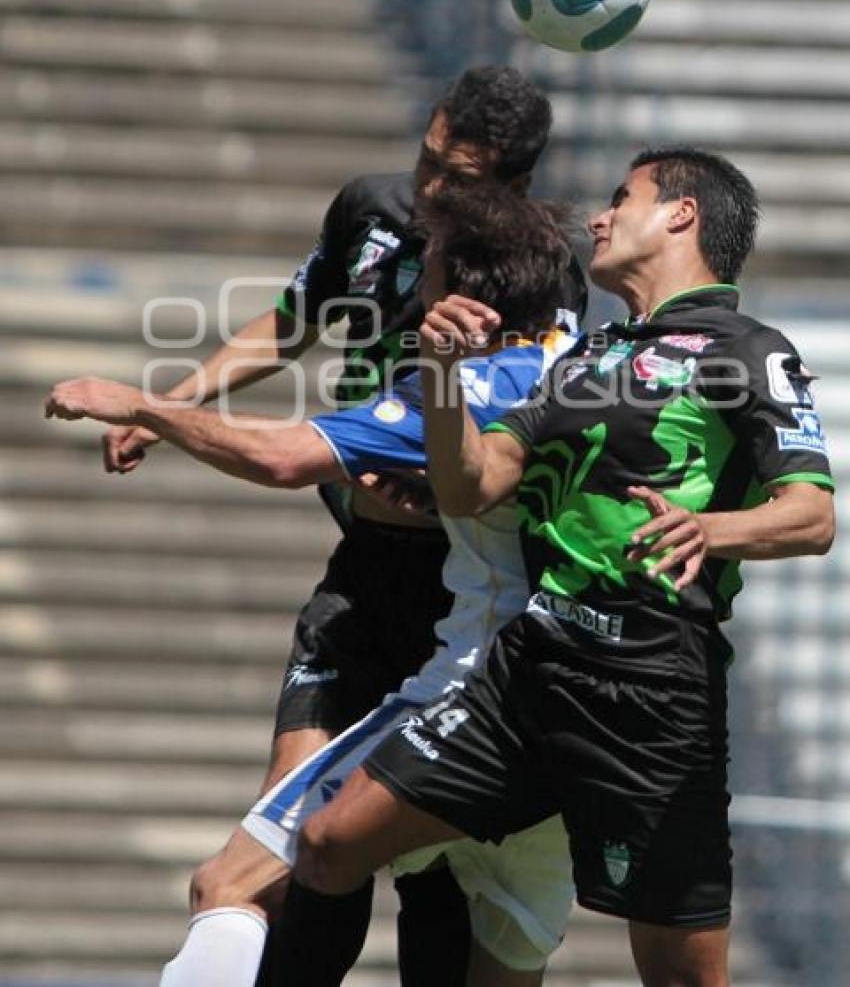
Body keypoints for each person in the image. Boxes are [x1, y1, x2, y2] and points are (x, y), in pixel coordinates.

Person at [286, 147, 836, 987]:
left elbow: (812, 513)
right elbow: (475, 483)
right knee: (326, 845)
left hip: (652, 694)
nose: (601, 217)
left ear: (681, 216)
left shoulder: (748, 349)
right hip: (528, 672)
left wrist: (710, 529)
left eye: (624, 199)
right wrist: (436, 376)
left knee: (683, 976)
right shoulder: (585, 355)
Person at [100, 66, 587, 985]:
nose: (432, 189)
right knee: (289, 848)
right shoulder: (371, 211)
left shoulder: (542, 265)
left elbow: (537, 422)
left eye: (462, 177)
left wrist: (445, 471)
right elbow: (293, 319)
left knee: (439, 887)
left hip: (465, 593)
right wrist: (176, 397)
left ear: (514, 189)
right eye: (428, 160)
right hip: (363, 577)